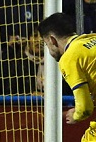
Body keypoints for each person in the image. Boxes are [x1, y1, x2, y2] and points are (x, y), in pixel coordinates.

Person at [38, 12, 96, 141]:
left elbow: (85, 109)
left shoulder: (70, 57)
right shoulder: (92, 38)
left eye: (46, 45)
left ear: (52, 40)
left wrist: (75, 115)